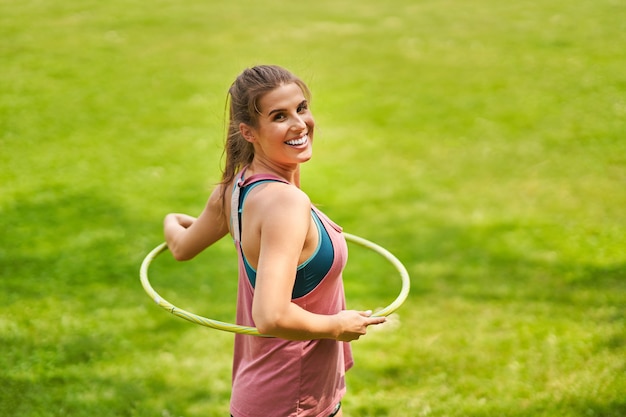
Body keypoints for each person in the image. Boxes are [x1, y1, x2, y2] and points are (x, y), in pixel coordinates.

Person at [163, 65, 386, 417]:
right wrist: (337, 325)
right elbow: (271, 315)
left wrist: (171, 221)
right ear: (248, 132)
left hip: (287, 394)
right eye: (279, 116)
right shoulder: (285, 203)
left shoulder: (233, 189)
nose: (299, 124)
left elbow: (181, 247)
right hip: (289, 400)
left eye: (301, 108)